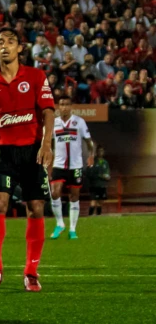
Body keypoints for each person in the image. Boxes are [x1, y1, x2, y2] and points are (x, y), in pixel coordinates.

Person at [0, 27, 55, 292]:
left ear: (20, 48)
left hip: (32, 152)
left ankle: (31, 271)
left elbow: (48, 111)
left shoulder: (37, 76)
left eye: (10, 42)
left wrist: (47, 143)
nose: (4, 46)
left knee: (36, 208)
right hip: (3, 152)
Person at [50, 95, 95, 240]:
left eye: (67, 104)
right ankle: (60, 224)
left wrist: (91, 155)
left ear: (71, 107)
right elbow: (49, 143)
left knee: (74, 196)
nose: (64, 107)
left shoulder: (79, 122)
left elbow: (89, 142)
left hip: (75, 165)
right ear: (58, 107)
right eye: (62, 104)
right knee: (55, 193)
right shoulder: (53, 123)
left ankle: (72, 229)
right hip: (58, 164)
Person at [87, 146, 110, 216]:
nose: (101, 152)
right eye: (99, 151)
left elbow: (108, 174)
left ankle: (98, 216)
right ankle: (90, 216)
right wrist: (100, 175)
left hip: (102, 185)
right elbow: (89, 172)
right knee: (93, 201)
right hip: (94, 185)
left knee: (100, 202)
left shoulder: (105, 162)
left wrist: (107, 177)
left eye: (102, 151)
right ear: (96, 152)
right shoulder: (92, 161)